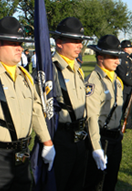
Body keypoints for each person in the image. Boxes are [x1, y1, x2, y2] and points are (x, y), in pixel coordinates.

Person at [0, 16, 54, 191]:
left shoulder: (25, 77)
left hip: (22, 155)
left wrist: (47, 142)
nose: (19, 48)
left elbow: (35, 110)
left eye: (20, 44)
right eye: (13, 44)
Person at [50, 17, 93, 191]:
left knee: (77, 183)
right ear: (59, 43)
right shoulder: (51, 69)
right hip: (61, 137)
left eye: (80, 41)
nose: (79, 45)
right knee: (60, 183)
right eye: (74, 41)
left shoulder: (77, 68)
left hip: (79, 136)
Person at [83, 35, 125, 191]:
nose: (117, 61)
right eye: (113, 57)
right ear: (100, 58)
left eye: (118, 57)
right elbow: (91, 118)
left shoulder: (114, 79)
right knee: (96, 184)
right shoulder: (94, 82)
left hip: (115, 139)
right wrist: (96, 147)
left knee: (111, 181)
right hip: (101, 139)